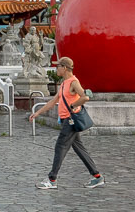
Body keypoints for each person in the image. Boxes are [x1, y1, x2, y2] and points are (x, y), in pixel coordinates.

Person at [28, 56, 104, 190]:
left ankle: (52, 179)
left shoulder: (73, 82)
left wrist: (73, 105)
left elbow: (85, 96)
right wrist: (38, 113)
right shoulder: (64, 84)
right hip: (66, 120)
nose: (56, 69)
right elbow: (53, 102)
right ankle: (97, 177)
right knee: (79, 149)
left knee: (60, 147)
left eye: (58, 66)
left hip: (70, 120)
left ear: (64, 68)